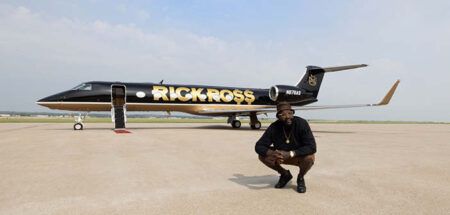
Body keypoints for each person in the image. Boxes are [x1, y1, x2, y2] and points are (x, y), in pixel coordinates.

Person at [255, 102, 316, 193]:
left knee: (309, 158)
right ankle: (284, 174)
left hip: (298, 156)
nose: (287, 117)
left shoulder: (301, 123)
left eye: (290, 113)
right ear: (278, 117)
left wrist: (291, 153)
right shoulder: (274, 127)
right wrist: (272, 153)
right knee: (262, 156)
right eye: (283, 115)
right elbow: (259, 145)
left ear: (293, 113)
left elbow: (312, 147)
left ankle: (300, 177)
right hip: (280, 157)